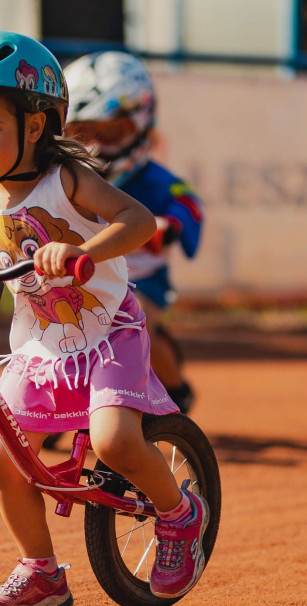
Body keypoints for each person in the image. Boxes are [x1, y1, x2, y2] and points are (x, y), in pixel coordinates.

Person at [0, 31, 210, 606]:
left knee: (115, 441)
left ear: (35, 126)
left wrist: (81, 249)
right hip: (42, 344)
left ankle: (179, 514)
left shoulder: (64, 180)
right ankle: (42, 575)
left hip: (108, 332)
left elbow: (137, 221)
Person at [63, 51, 203, 415]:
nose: (98, 145)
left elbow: (188, 204)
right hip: (82, 276)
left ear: (140, 121)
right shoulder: (68, 179)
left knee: (138, 322)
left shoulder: (154, 179)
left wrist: (171, 225)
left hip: (142, 278)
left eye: (111, 132)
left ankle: (176, 390)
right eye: (86, 132)